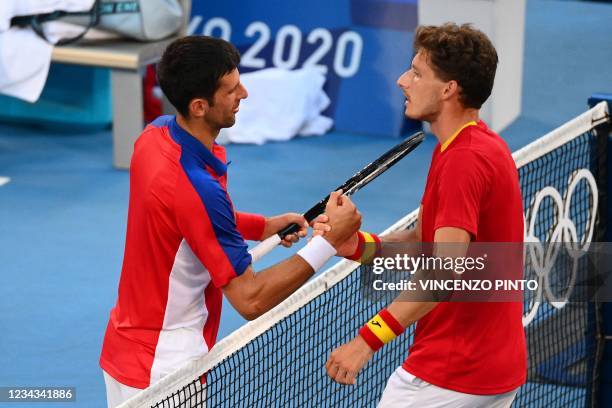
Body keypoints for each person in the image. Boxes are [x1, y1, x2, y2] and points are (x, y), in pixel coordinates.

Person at [99, 36, 361, 408]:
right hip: (163, 369)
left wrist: (263, 226)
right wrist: (328, 245)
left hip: (123, 348)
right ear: (200, 106)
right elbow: (250, 300)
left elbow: (186, 220)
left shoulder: (154, 137)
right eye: (232, 88)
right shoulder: (198, 187)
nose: (245, 93)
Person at [316, 23, 526, 407]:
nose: (402, 80)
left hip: (450, 374)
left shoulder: (464, 160)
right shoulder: (475, 144)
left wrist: (367, 340)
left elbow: (442, 273)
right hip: (493, 368)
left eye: (416, 72)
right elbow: (422, 244)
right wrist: (355, 246)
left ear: (449, 89)